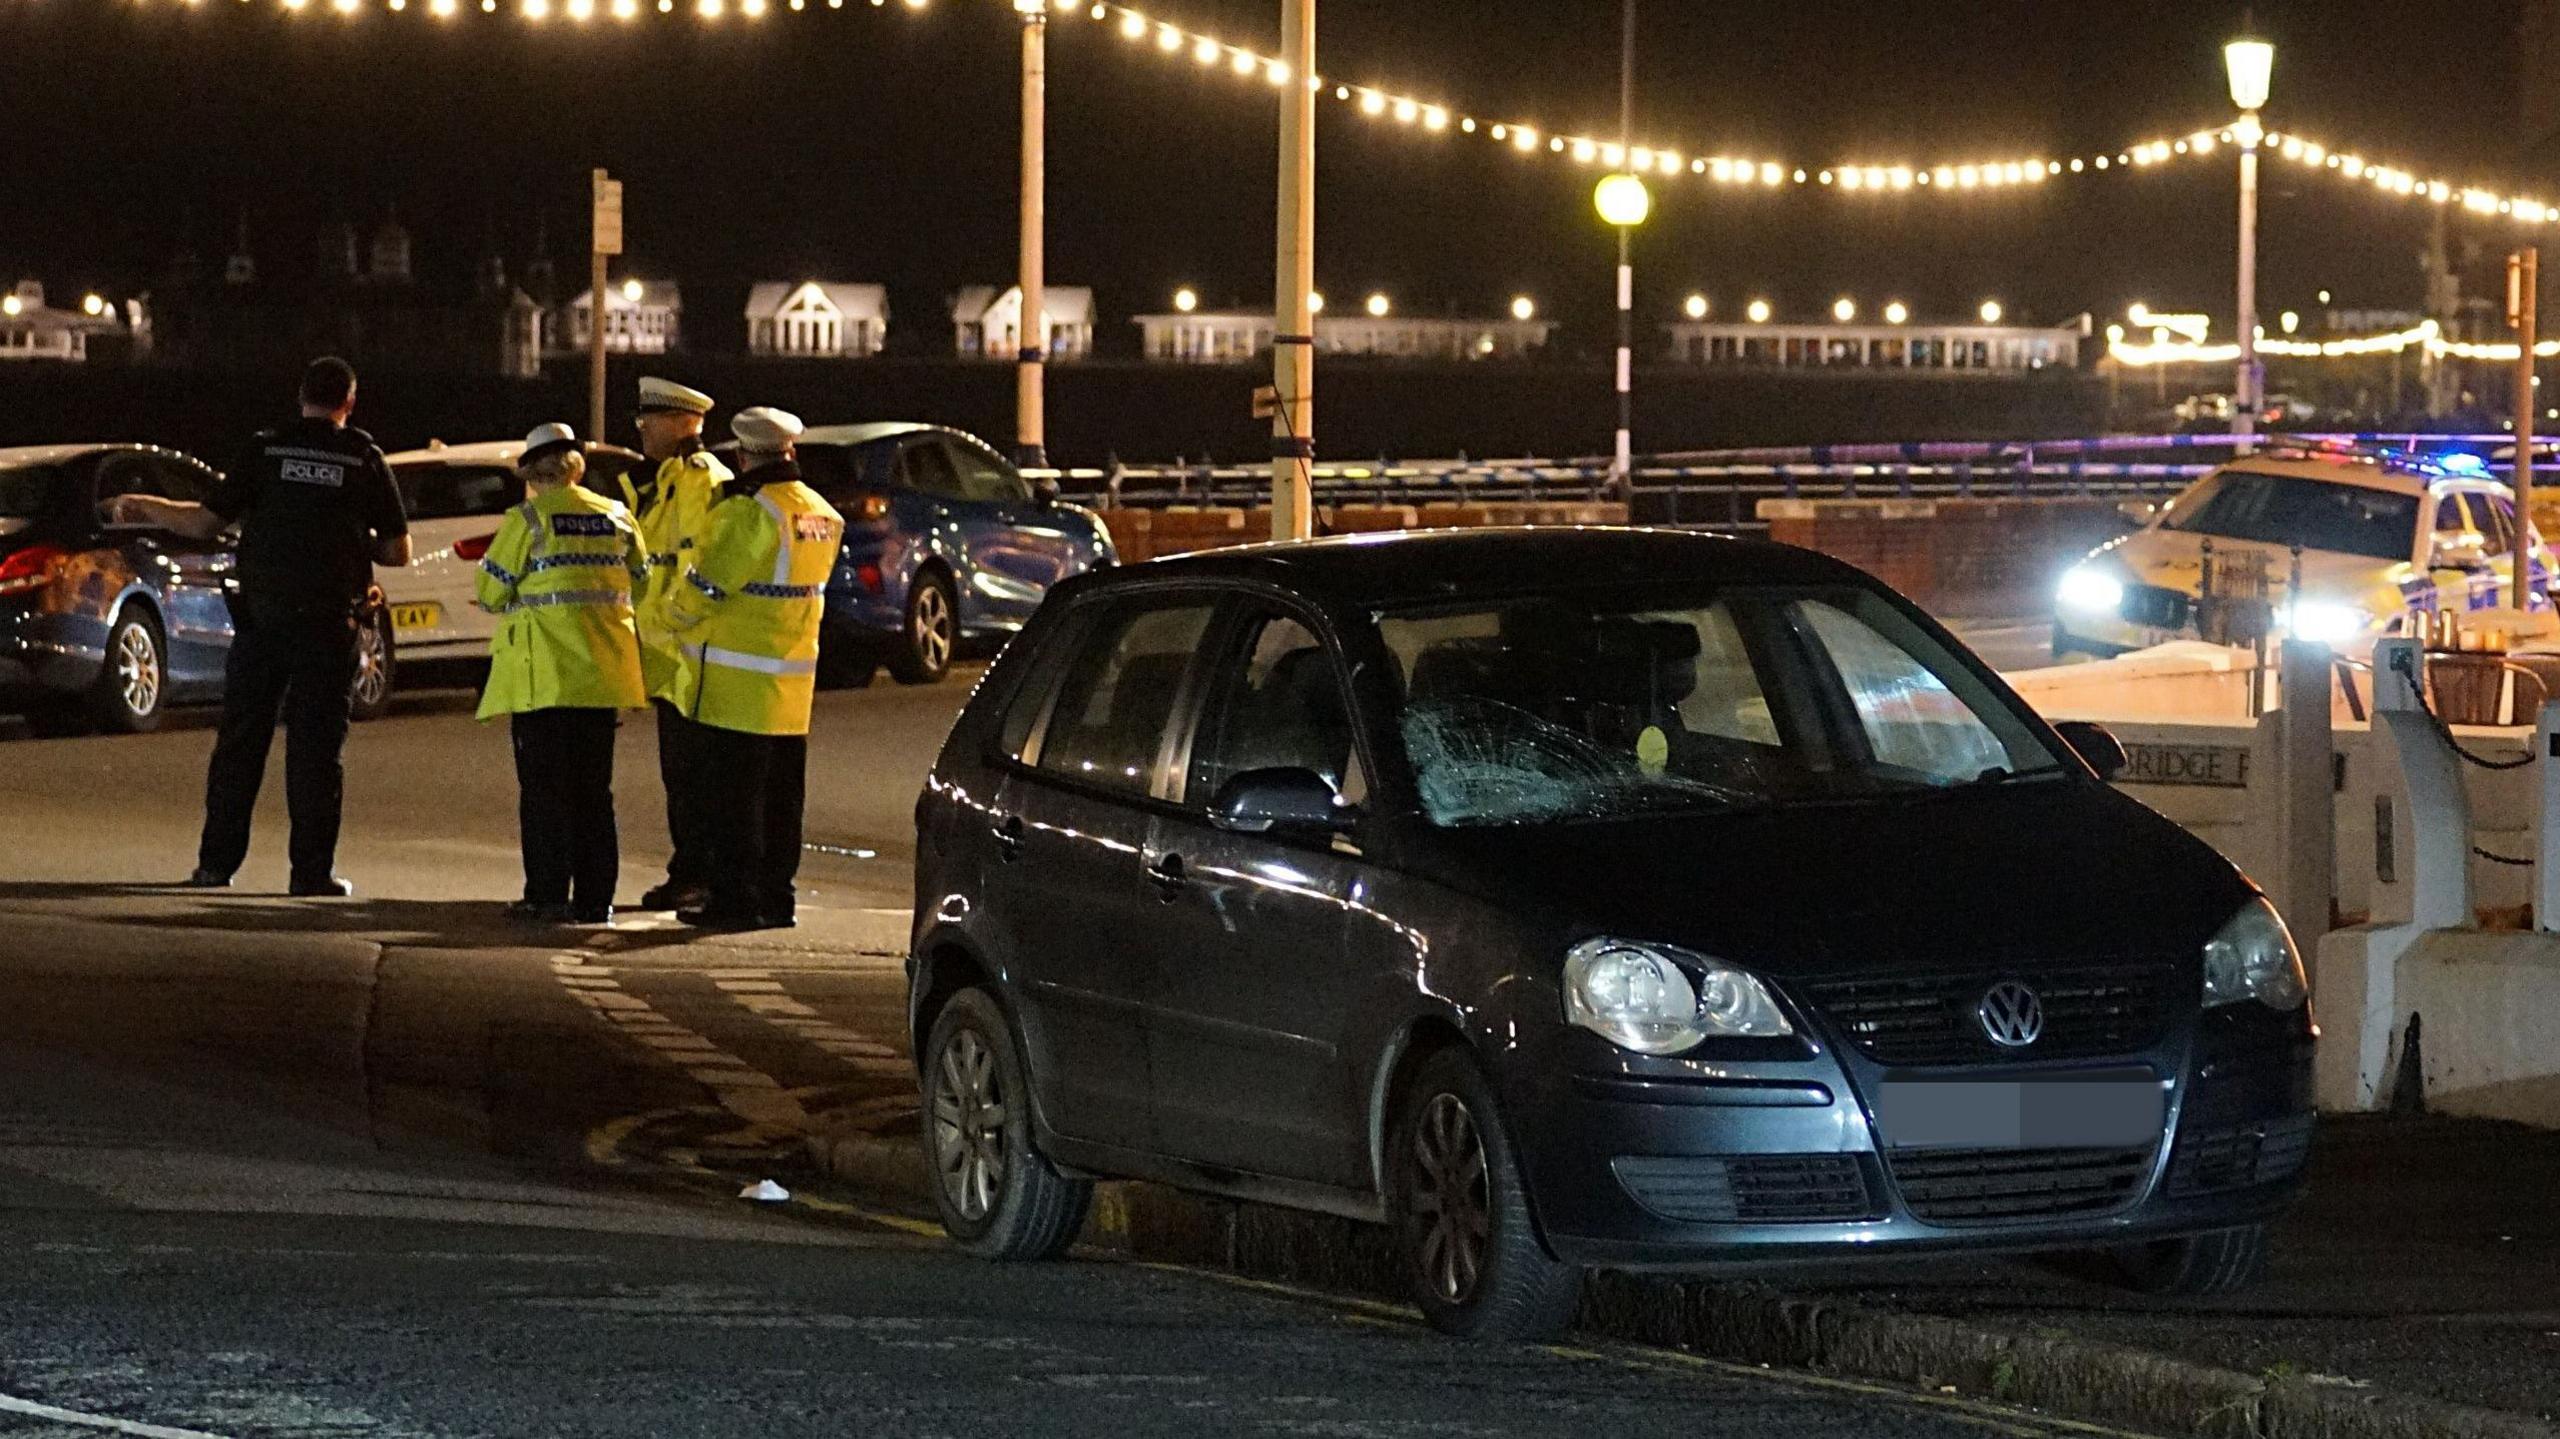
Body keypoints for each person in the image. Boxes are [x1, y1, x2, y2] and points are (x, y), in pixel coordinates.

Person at [109, 356, 412, 897]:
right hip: (328, 624)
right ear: (349, 401)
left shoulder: (265, 448)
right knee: (317, 753)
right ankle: (311, 874)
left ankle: (215, 866)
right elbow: (397, 551)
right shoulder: (363, 457)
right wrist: (344, 542)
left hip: (262, 622)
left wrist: (142, 506)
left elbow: (204, 521)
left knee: (240, 745)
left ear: (301, 396)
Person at [667, 407, 844, 930]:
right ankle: (776, 898)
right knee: (782, 801)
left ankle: (735, 900)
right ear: (790, 452)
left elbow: (706, 588)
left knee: (733, 802)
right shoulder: (821, 512)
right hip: (792, 683)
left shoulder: (747, 513)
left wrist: (673, 617)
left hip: (734, 684)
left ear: (744, 456)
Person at [473, 424, 649, 925]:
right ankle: (597, 900)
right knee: (595, 792)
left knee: (546, 793)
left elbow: (490, 593)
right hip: (603, 677)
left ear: (531, 474)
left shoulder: (527, 521)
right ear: (578, 469)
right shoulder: (617, 516)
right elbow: (642, 581)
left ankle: (548, 894)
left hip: (544, 678)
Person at [618, 376, 731, 914]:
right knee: (682, 774)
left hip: (692, 649)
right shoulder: (667, 480)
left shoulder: (699, 481)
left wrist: (667, 618)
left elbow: (700, 565)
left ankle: (698, 875)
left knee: (697, 775)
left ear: (683, 422)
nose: (641, 428)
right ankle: (690, 871)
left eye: (651, 419)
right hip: (672, 651)